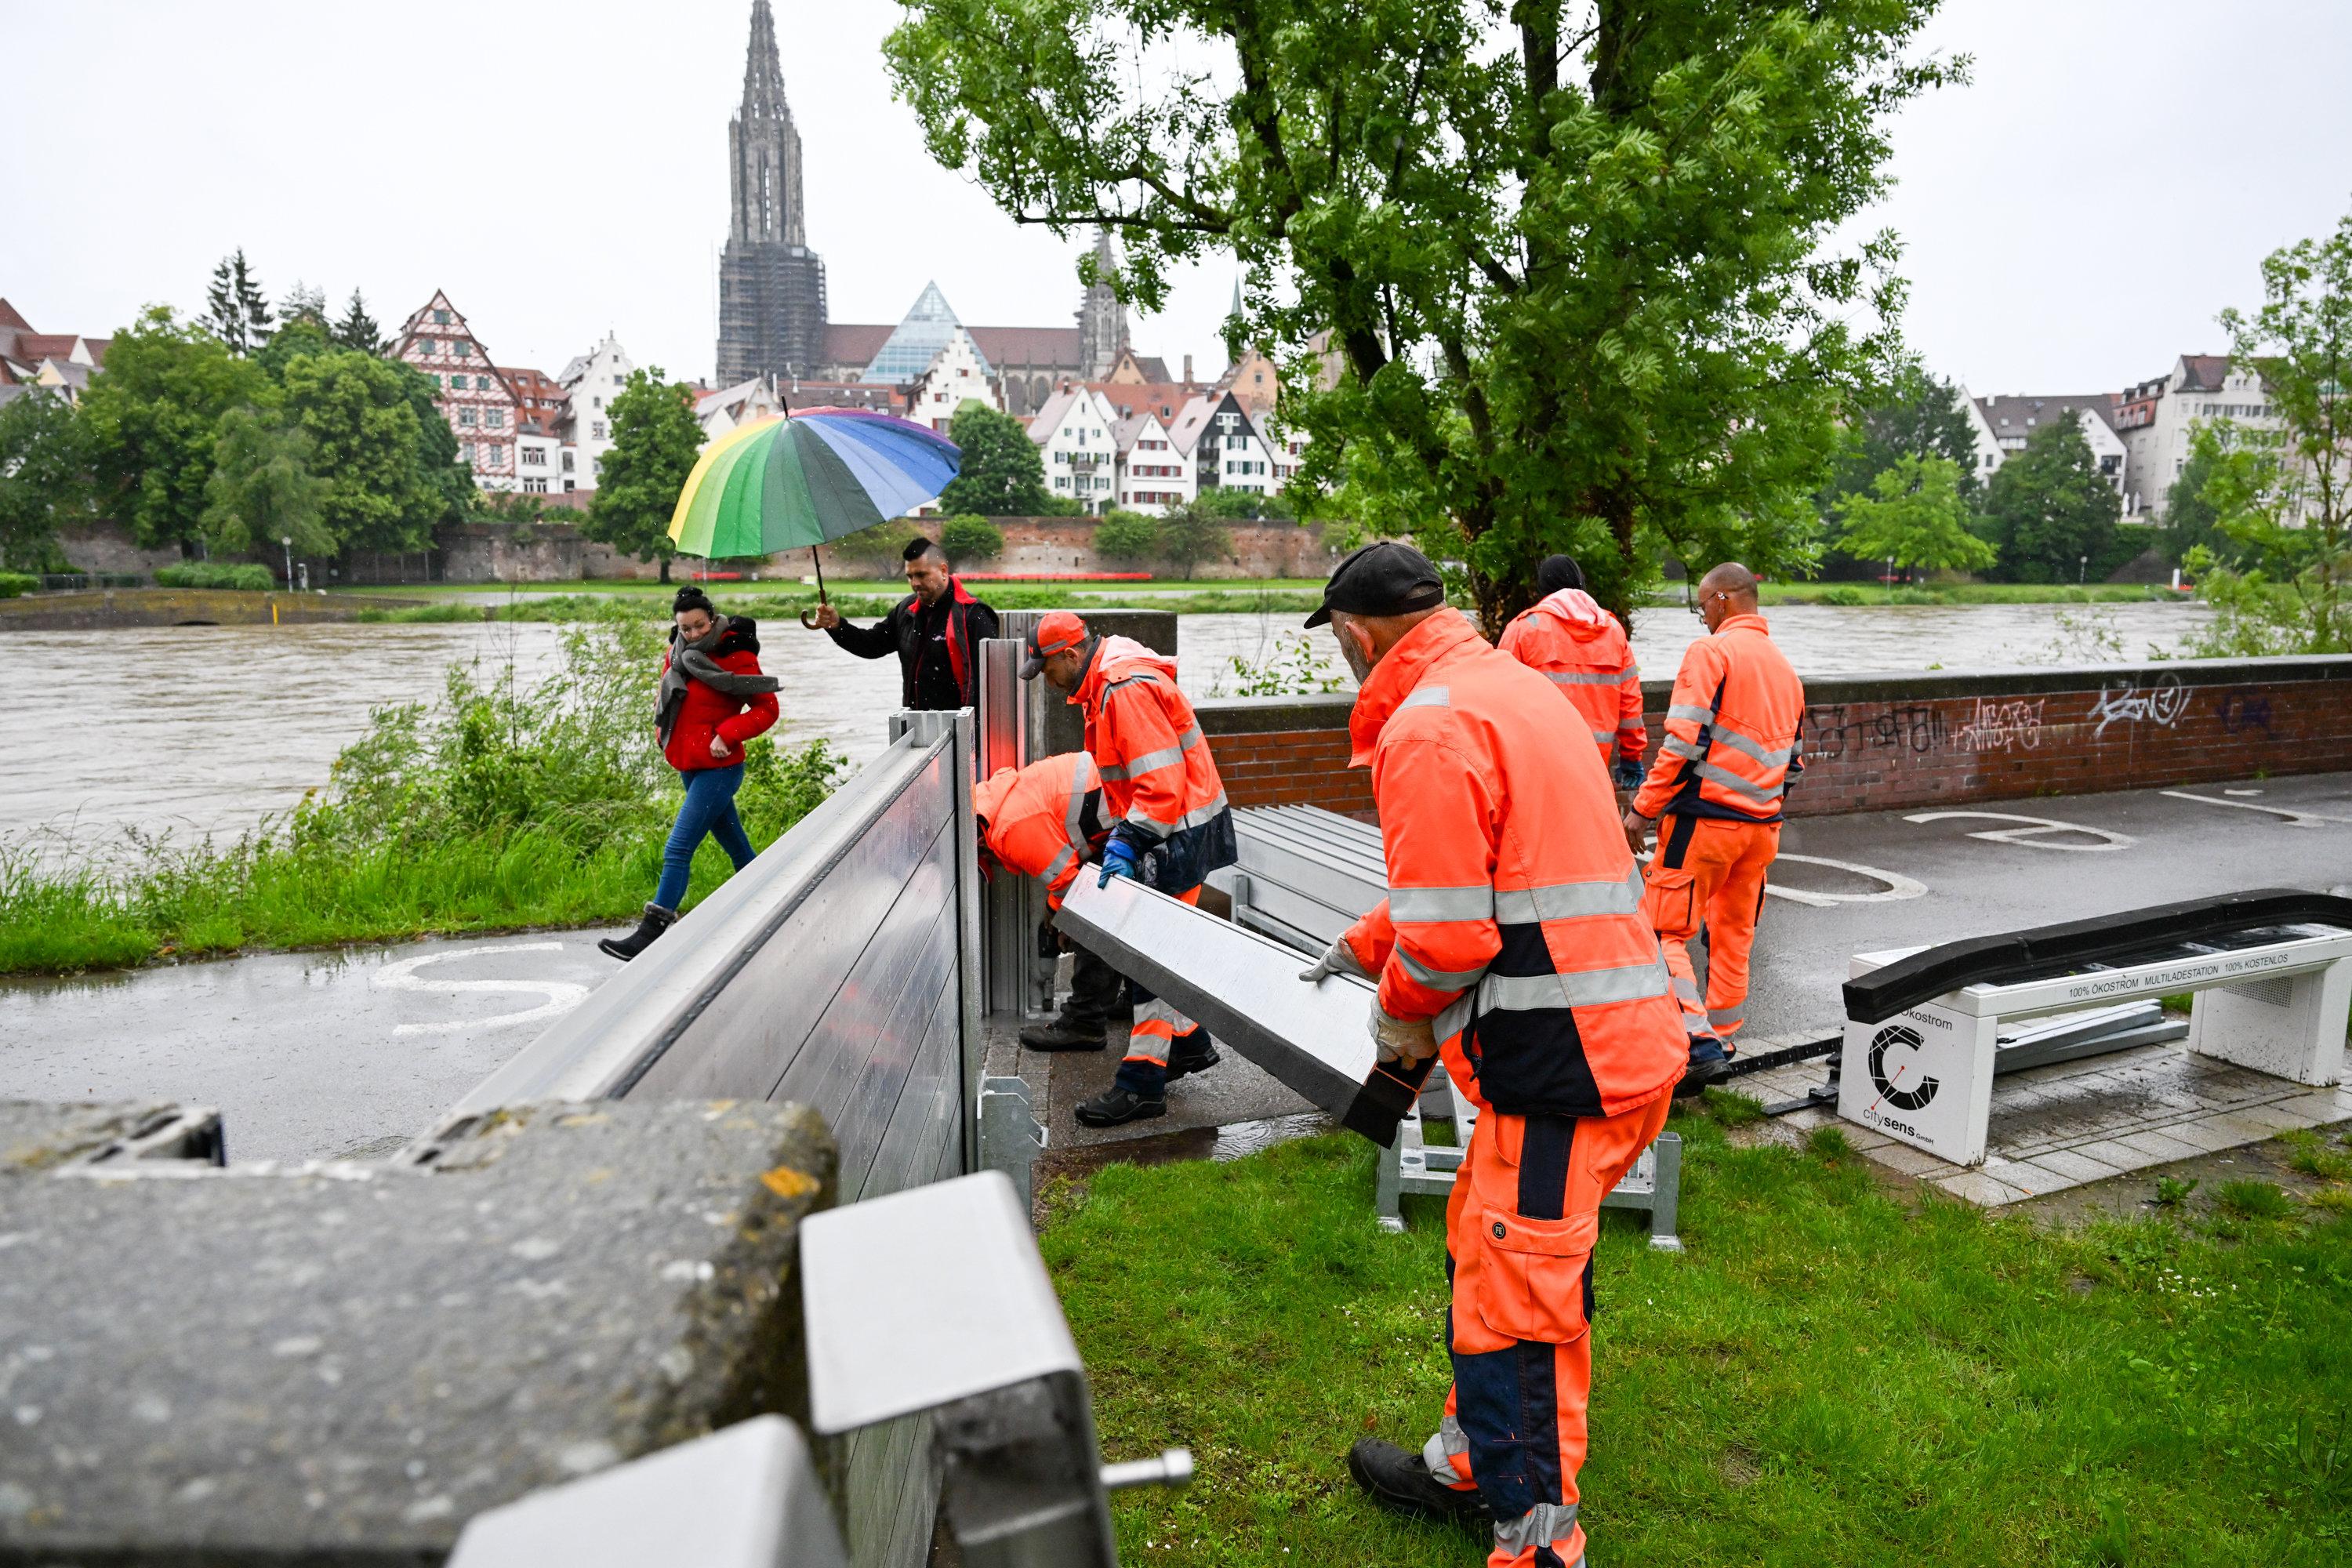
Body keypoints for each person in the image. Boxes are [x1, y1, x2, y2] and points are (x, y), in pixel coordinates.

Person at [1296, 541, 1685, 1568]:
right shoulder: (1511, 687)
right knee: (1493, 1256)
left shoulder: (1425, 727)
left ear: (1353, 632)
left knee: (1520, 1314)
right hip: (1606, 1042)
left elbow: (1455, 938)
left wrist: (1395, 1009)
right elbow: (1501, 865)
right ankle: (1470, 1461)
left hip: (1563, 1065)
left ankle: (1539, 1546)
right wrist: (1369, 937)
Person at [1022, 610, 1234, 1127]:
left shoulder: (1123, 688)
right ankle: (1187, 1045)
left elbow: (1159, 784)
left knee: (1147, 962)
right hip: (1179, 829)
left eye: (1046, 667)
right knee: (1153, 954)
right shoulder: (1109, 681)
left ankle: (1142, 1086)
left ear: (1071, 655)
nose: (1045, 679)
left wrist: (1126, 843)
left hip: (1173, 834)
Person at [1622, 561, 1805, 1087]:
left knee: (1662, 931)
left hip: (1702, 826)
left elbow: (1682, 742)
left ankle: (1697, 1044)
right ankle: (1723, 1035)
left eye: (1701, 605)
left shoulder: (1712, 653)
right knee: (1734, 935)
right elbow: (1793, 762)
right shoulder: (1785, 671)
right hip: (1762, 829)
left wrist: (1643, 810)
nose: (1700, 616)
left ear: (1723, 599)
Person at [600, 586, 781, 961]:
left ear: (712, 619)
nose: (694, 634)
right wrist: (661, 733)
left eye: (700, 626)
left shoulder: (735, 653)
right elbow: (666, 699)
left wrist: (727, 733)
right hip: (690, 767)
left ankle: (650, 934)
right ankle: (774, 906)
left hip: (721, 768)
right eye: (686, 628)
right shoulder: (677, 654)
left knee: (678, 848)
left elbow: (767, 709)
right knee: (738, 848)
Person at [1496, 554, 1647, 793]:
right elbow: (1630, 704)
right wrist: (1632, 755)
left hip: (1537, 766)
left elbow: (1498, 705)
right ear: (1581, 583)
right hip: (1595, 764)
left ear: (1542, 589)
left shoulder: (1523, 630)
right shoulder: (1613, 631)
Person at [807, 535, 999, 710]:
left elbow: (993, 684)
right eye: (910, 576)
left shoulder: (974, 615)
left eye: (921, 575)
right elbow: (871, 645)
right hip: (917, 726)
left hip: (964, 731)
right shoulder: (906, 610)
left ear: (943, 571)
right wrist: (838, 626)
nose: (914, 583)